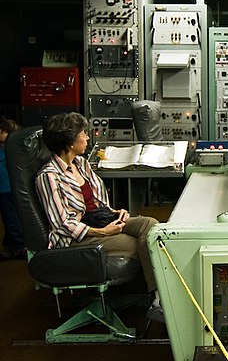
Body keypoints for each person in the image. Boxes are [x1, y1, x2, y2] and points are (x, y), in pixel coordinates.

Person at [34, 112, 164, 322]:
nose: (87, 137)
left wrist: (115, 212)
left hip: (101, 220)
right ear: (69, 142)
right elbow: (63, 223)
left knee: (151, 225)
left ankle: (159, 295)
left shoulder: (82, 164)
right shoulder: (49, 177)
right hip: (78, 237)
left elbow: (98, 203)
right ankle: (159, 299)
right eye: (82, 134)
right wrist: (103, 232)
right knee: (142, 244)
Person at [0, 116, 26, 260]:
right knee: (10, 219)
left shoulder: (13, 152)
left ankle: (17, 246)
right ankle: (14, 246)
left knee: (14, 219)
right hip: (4, 191)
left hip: (12, 189)